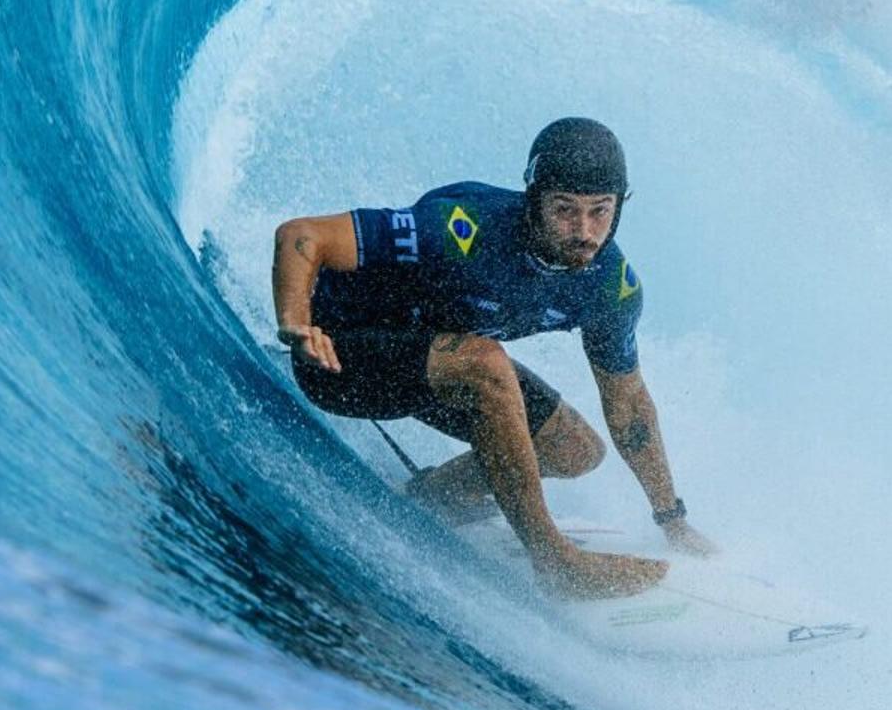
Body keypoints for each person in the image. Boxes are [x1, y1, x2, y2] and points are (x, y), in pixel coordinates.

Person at [271, 117, 704, 599]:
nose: (584, 230)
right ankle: (554, 560)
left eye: (600, 211)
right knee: (486, 363)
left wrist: (672, 520)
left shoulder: (608, 287)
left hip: (437, 371)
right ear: (533, 198)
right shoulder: (463, 227)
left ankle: (428, 501)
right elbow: (301, 236)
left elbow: (629, 407)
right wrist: (297, 325)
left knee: (575, 449)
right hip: (341, 360)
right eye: (564, 210)